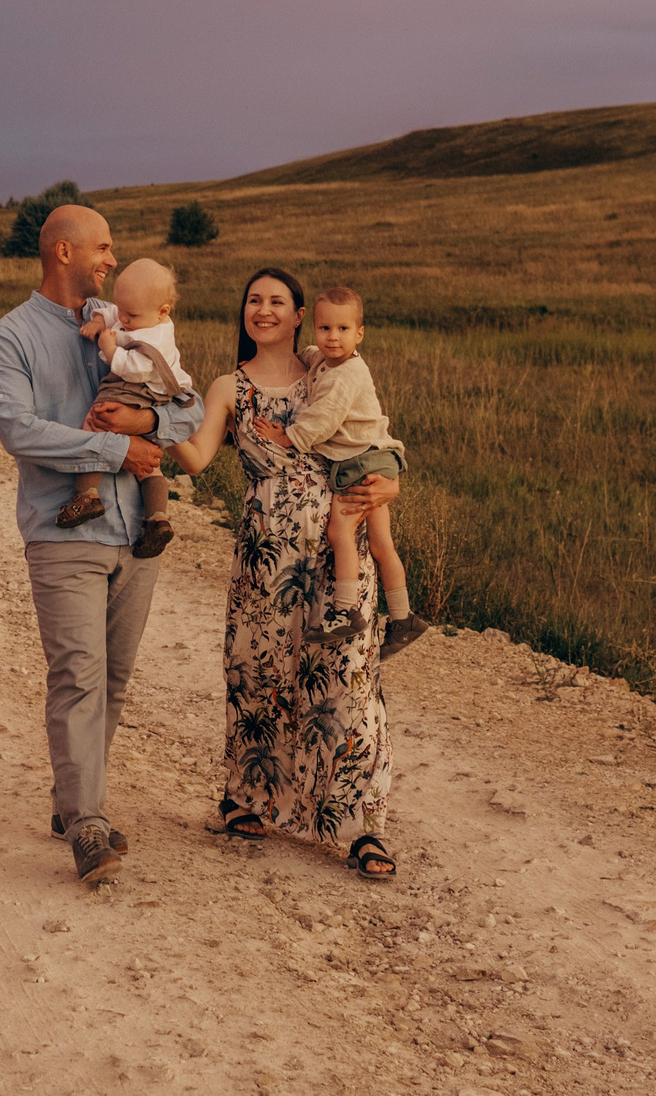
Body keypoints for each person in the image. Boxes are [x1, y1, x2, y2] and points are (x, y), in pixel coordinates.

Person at [0, 205, 207, 884]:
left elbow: (188, 406)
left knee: (113, 678)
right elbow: (21, 432)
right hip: (62, 530)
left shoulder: (130, 320)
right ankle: (87, 824)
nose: (111, 259)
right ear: (63, 253)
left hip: (137, 531)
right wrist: (120, 446)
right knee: (77, 675)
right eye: (102, 248)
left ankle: (74, 803)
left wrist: (144, 419)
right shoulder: (9, 339)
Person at [168, 268, 404, 880]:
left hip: (338, 546)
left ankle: (360, 825)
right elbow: (195, 457)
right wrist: (147, 426)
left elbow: (374, 437)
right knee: (261, 673)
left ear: (299, 314)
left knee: (348, 679)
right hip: (266, 554)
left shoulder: (331, 368)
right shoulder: (230, 387)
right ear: (242, 312)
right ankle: (248, 797)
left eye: (277, 301)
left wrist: (391, 481)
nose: (264, 310)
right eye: (253, 300)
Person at [248, 285, 422, 658]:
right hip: (375, 455)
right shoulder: (328, 361)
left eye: (343, 330)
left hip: (362, 462)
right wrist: (300, 353)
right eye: (325, 329)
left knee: (339, 530)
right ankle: (403, 617)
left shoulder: (346, 375)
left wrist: (287, 436)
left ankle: (344, 612)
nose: (332, 337)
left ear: (360, 333)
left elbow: (322, 421)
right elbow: (314, 357)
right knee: (381, 543)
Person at [57, 257, 194, 556]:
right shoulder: (139, 313)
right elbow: (111, 313)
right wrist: (100, 320)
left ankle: (87, 495)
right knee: (150, 465)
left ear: (163, 312)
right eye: (121, 309)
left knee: (95, 424)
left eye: (131, 314)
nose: (124, 318)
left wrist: (108, 347)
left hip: (136, 390)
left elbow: (133, 369)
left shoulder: (154, 337)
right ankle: (157, 519)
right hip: (155, 398)